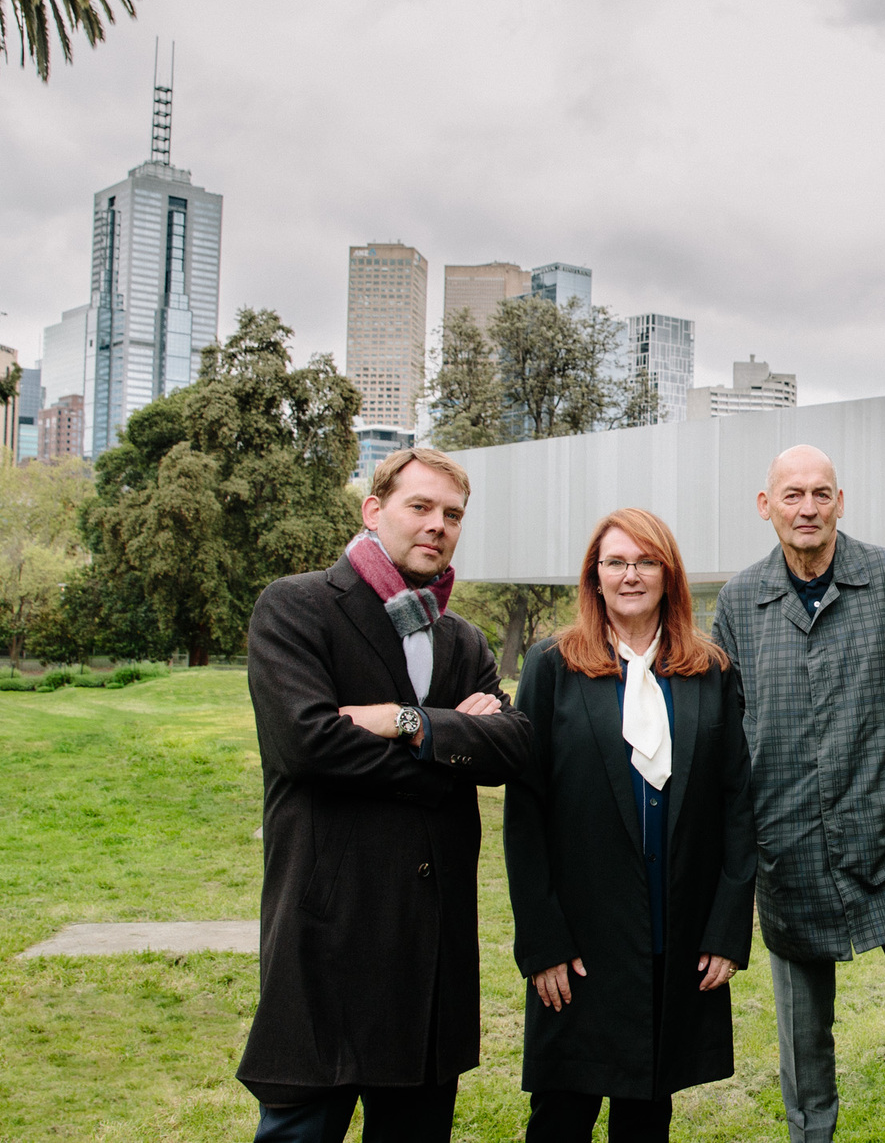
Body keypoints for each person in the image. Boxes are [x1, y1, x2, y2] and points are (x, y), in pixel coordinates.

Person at [238, 448, 533, 1143]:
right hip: (328, 938)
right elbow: (306, 743)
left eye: (452, 514)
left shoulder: (462, 637)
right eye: (420, 507)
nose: (438, 525)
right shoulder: (297, 606)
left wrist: (408, 724)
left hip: (429, 952)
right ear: (374, 511)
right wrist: (450, 754)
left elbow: (514, 745)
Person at [712, 445, 885, 1143]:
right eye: (792, 495)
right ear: (766, 505)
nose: (807, 508)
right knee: (803, 1044)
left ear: (841, 501)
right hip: (790, 852)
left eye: (820, 494)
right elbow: (723, 720)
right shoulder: (740, 602)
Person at [504, 508, 755, 1142]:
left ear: (669, 575)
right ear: (595, 575)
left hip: (673, 937)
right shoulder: (552, 667)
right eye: (616, 562)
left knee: (646, 1117)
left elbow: (736, 803)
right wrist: (542, 940)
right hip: (580, 944)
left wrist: (727, 929)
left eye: (646, 562)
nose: (631, 575)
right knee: (561, 1118)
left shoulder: (711, 671)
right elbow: (525, 812)